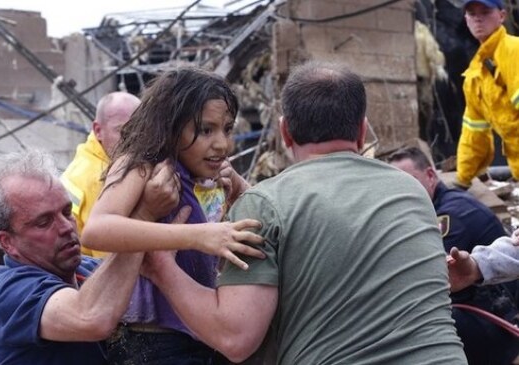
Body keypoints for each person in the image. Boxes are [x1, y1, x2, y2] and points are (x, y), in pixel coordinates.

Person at [140, 61, 467, 364]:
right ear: (363, 130)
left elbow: (235, 336)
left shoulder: (267, 204)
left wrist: (161, 267)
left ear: (284, 133)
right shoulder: (411, 191)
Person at [0, 150, 263, 365]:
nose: (67, 227)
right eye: (44, 222)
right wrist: (143, 215)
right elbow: (92, 316)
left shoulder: (89, 270)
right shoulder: (10, 290)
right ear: (8, 243)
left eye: (66, 212)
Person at [81, 67, 263, 365]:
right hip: (152, 344)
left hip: (198, 339)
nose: (222, 144)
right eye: (205, 130)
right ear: (172, 127)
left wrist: (239, 189)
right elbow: (97, 230)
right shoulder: (143, 164)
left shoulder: (203, 174)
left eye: (227, 129)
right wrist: (199, 236)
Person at [388, 146, 519, 365]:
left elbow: (433, 278)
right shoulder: (437, 205)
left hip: (498, 313)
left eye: (409, 181)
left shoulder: (452, 215)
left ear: (431, 175)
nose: (401, 191)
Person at [61, 91, 141, 258]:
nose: (133, 140)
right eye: (122, 131)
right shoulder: (99, 178)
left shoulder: (90, 156)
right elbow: (109, 258)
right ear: (98, 130)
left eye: (140, 129)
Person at [455, 0, 519, 189]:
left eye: (485, 12)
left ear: (501, 16)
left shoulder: (514, 51)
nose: (478, 19)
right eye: (472, 14)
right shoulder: (475, 75)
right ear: (466, 19)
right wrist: (462, 180)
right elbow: (474, 134)